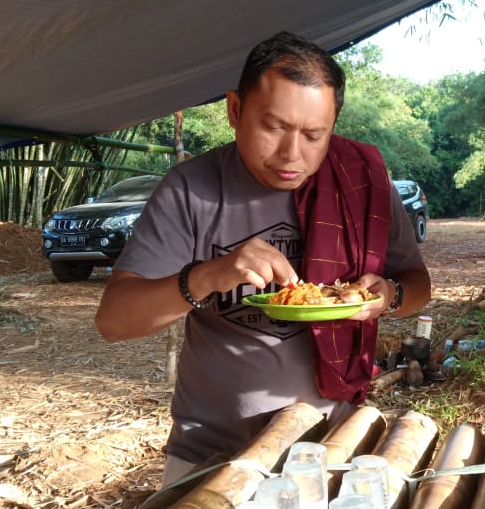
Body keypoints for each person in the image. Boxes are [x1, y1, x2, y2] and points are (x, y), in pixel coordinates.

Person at [96, 32, 431, 485]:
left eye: (315, 135)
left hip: (331, 442)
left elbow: (417, 285)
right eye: (273, 128)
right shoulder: (192, 189)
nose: (293, 155)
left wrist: (391, 297)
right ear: (235, 110)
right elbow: (114, 321)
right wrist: (205, 277)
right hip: (212, 449)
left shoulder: (362, 181)